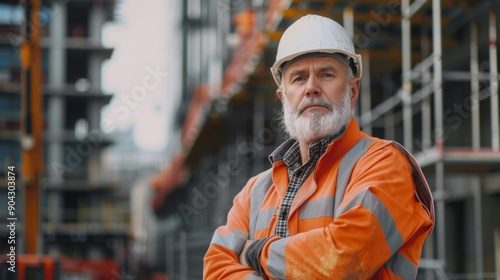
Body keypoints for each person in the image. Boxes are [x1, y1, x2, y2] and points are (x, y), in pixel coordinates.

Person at [203, 14, 434, 279]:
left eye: (326, 74)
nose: (312, 88)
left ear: (353, 90)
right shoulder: (253, 192)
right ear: (283, 98)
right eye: (299, 78)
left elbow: (342, 260)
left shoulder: (385, 165)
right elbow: (216, 269)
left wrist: (255, 252)